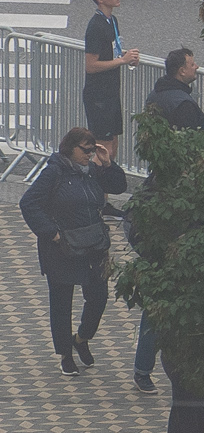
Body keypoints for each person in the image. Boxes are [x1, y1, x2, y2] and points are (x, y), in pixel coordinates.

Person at [18, 126, 128, 376]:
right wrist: (51, 233)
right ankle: (65, 355)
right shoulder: (54, 172)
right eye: (85, 150)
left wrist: (108, 163)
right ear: (70, 148)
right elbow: (29, 203)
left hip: (93, 245)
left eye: (92, 150)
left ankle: (81, 338)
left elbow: (119, 186)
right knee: (61, 303)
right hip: (62, 249)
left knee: (98, 297)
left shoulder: (93, 171)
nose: (89, 155)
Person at [79, 0, 136, 146]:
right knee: (104, 147)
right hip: (98, 95)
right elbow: (91, 66)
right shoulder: (95, 26)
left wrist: (127, 55)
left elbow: (111, 51)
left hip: (111, 91)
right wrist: (122, 60)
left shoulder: (112, 20)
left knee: (113, 143)